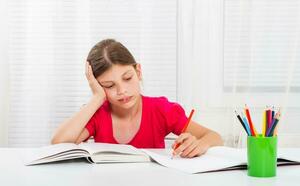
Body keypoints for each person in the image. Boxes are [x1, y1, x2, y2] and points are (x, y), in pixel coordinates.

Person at [51, 39, 223, 158]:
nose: (122, 91)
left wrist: (199, 145)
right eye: (109, 86)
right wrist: (97, 98)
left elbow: (214, 136)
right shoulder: (98, 114)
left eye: (127, 78)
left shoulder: (161, 110)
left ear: (138, 72)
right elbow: (58, 143)